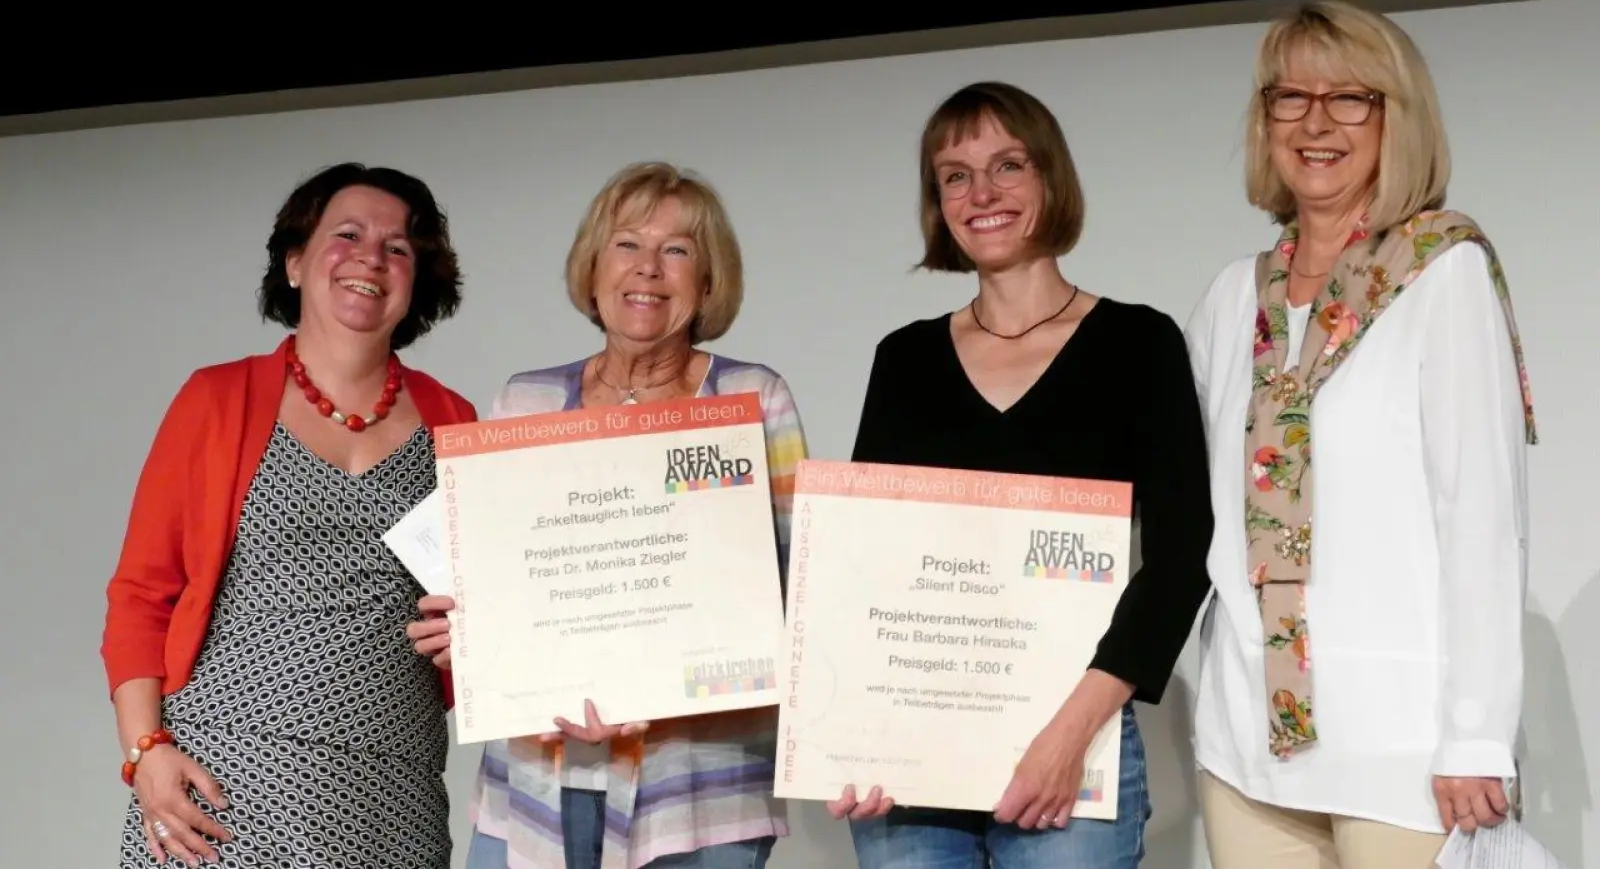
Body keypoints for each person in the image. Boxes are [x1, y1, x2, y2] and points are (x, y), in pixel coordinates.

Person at [1182, 0, 1538, 868]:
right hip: (1247, 748)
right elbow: (1182, 502)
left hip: (1404, 748)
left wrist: (1476, 736)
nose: (1315, 123)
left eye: (1350, 99)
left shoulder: (1442, 273)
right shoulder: (1236, 296)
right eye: (1288, 99)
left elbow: (1482, 515)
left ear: (1397, 118)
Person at [825, 80, 1215, 867]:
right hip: (912, 772)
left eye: (1008, 165)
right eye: (955, 175)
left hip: (1071, 760)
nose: (983, 194)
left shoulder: (1139, 345)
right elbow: (872, 565)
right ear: (938, 203)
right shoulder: (904, 359)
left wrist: (1068, 737)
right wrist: (852, 736)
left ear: (1050, 179)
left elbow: (1183, 556)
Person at [406, 161, 809, 869]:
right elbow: (499, 583)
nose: (648, 269)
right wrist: (467, 630)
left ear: (709, 281)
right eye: (627, 245)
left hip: (696, 795)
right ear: (592, 272)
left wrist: (668, 684)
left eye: (677, 250)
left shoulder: (752, 400)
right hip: (533, 785)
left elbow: (794, 593)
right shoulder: (523, 403)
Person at [100, 162, 476, 868]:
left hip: (394, 787)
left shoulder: (455, 420)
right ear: (297, 262)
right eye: (348, 235)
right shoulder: (216, 400)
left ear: (418, 280)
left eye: (399, 247)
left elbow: (481, 607)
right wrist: (146, 753)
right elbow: (141, 595)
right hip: (224, 775)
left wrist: (477, 637)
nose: (372, 256)